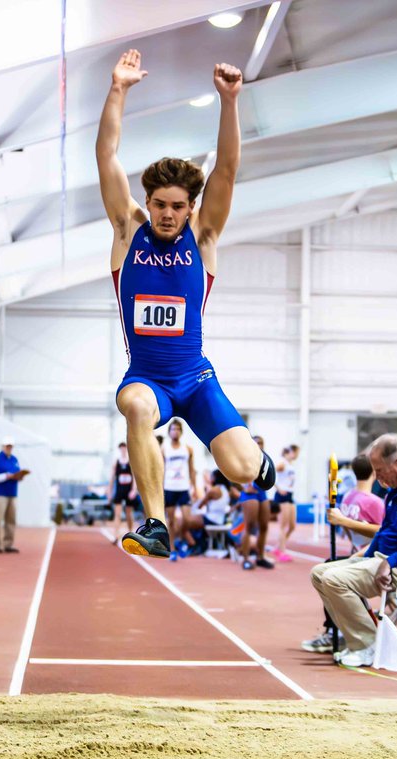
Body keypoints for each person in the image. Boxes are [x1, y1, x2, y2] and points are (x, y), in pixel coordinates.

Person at [96, 49, 276, 559]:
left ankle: (256, 458)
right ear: (146, 201)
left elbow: (228, 170)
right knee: (133, 405)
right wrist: (119, 89)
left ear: (190, 207)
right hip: (147, 378)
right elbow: (107, 158)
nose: (168, 215)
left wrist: (230, 101)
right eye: (160, 205)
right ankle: (154, 523)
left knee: (245, 472)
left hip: (196, 380)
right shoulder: (127, 231)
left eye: (178, 206)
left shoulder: (203, 236)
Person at [304, 435, 397, 668]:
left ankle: (368, 645)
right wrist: (360, 559)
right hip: (386, 559)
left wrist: (389, 562)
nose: (377, 478)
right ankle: (355, 638)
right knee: (319, 572)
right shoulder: (396, 489)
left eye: (379, 471)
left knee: (335, 579)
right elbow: (383, 534)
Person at [237, 436, 274, 570]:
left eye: (261, 443)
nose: (258, 445)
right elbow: (232, 475)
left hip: (262, 493)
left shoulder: (265, 460)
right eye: (256, 443)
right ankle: (245, 558)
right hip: (249, 494)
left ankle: (260, 557)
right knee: (249, 526)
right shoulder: (244, 458)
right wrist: (243, 487)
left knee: (264, 526)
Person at [162, 419, 197, 557]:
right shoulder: (164, 449)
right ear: (169, 432)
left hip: (183, 488)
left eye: (177, 429)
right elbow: (161, 470)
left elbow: (192, 469)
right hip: (169, 487)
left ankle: (181, 538)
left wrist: (194, 487)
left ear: (181, 432)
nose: (175, 431)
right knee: (171, 521)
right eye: (172, 429)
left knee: (187, 519)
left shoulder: (188, 449)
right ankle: (172, 549)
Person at [0, 436, 29, 553]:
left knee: (11, 520)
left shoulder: (14, 459)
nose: (9, 448)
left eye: (11, 446)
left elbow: (16, 473)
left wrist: (19, 476)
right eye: (7, 446)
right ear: (3, 446)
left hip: (13, 493)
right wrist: (6, 476)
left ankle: (8, 543)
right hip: (0, 494)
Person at [270, 445, 299, 562]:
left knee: (292, 526)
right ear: (290, 452)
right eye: (296, 452)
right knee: (283, 525)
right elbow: (270, 474)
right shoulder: (282, 463)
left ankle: (277, 547)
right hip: (282, 496)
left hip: (290, 495)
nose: (297, 455)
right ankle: (282, 551)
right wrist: (277, 488)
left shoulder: (290, 465)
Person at [110, 442, 140, 538]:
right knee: (117, 514)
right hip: (119, 490)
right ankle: (115, 535)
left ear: (126, 449)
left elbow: (134, 477)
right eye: (121, 448)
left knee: (128, 513)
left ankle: (130, 532)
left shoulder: (131, 462)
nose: (123, 450)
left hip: (128, 491)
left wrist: (134, 490)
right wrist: (109, 490)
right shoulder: (116, 462)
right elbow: (112, 478)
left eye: (124, 448)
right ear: (119, 449)